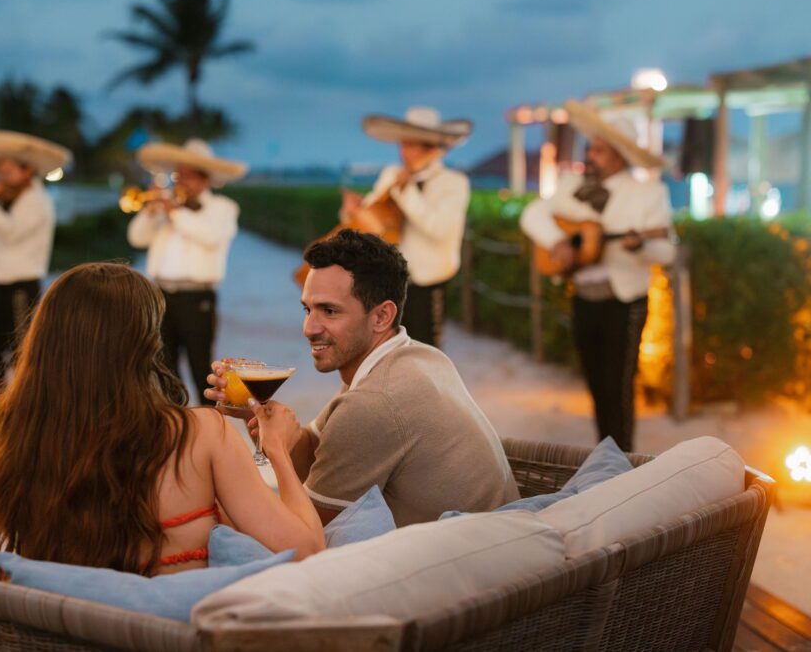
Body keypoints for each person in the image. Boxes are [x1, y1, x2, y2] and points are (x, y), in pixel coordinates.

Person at [0, 263, 324, 575]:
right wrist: (275, 447)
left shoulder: (18, 433)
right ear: (144, 345)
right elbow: (305, 550)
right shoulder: (199, 434)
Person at [206, 230, 518, 527]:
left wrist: (271, 448)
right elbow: (314, 450)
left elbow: (303, 534)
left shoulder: (374, 402)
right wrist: (260, 413)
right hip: (494, 546)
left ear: (382, 316)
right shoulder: (418, 357)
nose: (309, 329)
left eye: (329, 311)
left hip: (454, 571)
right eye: (307, 309)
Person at [520, 100, 677, 452]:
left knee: (617, 388)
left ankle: (620, 461)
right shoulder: (572, 184)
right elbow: (532, 215)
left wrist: (640, 247)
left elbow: (666, 250)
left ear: (620, 155)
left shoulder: (648, 193)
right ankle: (604, 454)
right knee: (594, 384)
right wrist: (558, 240)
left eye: (600, 150)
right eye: (590, 147)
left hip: (623, 302)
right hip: (583, 298)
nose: (590, 154)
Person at [0, 130, 67, 438]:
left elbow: (11, 232)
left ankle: (30, 421)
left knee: (23, 357)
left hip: (22, 288)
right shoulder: (7, 200)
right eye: (0, 172)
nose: (1, 177)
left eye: (7, 172)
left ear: (26, 171)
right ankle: (0, 415)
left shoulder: (37, 201)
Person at [342, 107, 473, 348]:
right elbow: (373, 220)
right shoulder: (392, 174)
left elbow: (439, 228)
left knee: (426, 353)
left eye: (410, 145)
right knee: (387, 351)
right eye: (402, 144)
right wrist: (353, 211)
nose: (403, 152)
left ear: (430, 147)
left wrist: (405, 191)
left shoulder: (454, 183)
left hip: (427, 282)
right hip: (390, 281)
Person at [128, 138, 245, 404]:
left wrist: (176, 214)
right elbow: (136, 238)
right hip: (160, 295)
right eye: (178, 175)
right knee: (162, 366)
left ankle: (210, 426)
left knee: (200, 364)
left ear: (204, 180)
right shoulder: (166, 204)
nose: (180, 182)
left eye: (188, 176)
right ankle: (174, 422)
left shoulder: (223, 208)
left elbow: (211, 237)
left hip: (196, 298)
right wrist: (151, 212)